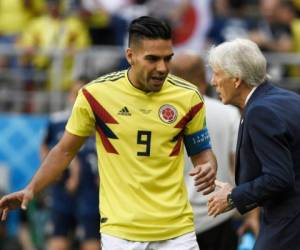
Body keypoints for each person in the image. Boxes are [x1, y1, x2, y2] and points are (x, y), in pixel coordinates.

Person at [0, 16, 217, 250]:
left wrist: (208, 166)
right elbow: (64, 151)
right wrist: (32, 188)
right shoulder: (96, 96)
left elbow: (202, 152)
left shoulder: (188, 97)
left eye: (167, 58)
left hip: (178, 232)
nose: (162, 68)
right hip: (121, 234)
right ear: (130, 56)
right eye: (152, 59)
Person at [206, 38, 300, 250]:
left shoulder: (259, 112)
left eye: (217, 73)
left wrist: (233, 196)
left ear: (236, 79)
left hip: (288, 224)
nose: (212, 81)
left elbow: (279, 178)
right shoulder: (288, 98)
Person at [170, 52, 240, 250]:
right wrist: (251, 214)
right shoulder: (229, 113)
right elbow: (241, 167)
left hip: (171, 221)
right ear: (203, 78)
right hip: (218, 216)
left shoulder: (158, 117)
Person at [41, 76, 100, 250]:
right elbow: (45, 144)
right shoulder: (57, 120)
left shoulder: (101, 122)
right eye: (75, 94)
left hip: (91, 188)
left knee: (91, 240)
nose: (78, 99)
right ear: (69, 96)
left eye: (84, 95)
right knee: (58, 238)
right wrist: (52, 169)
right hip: (63, 188)